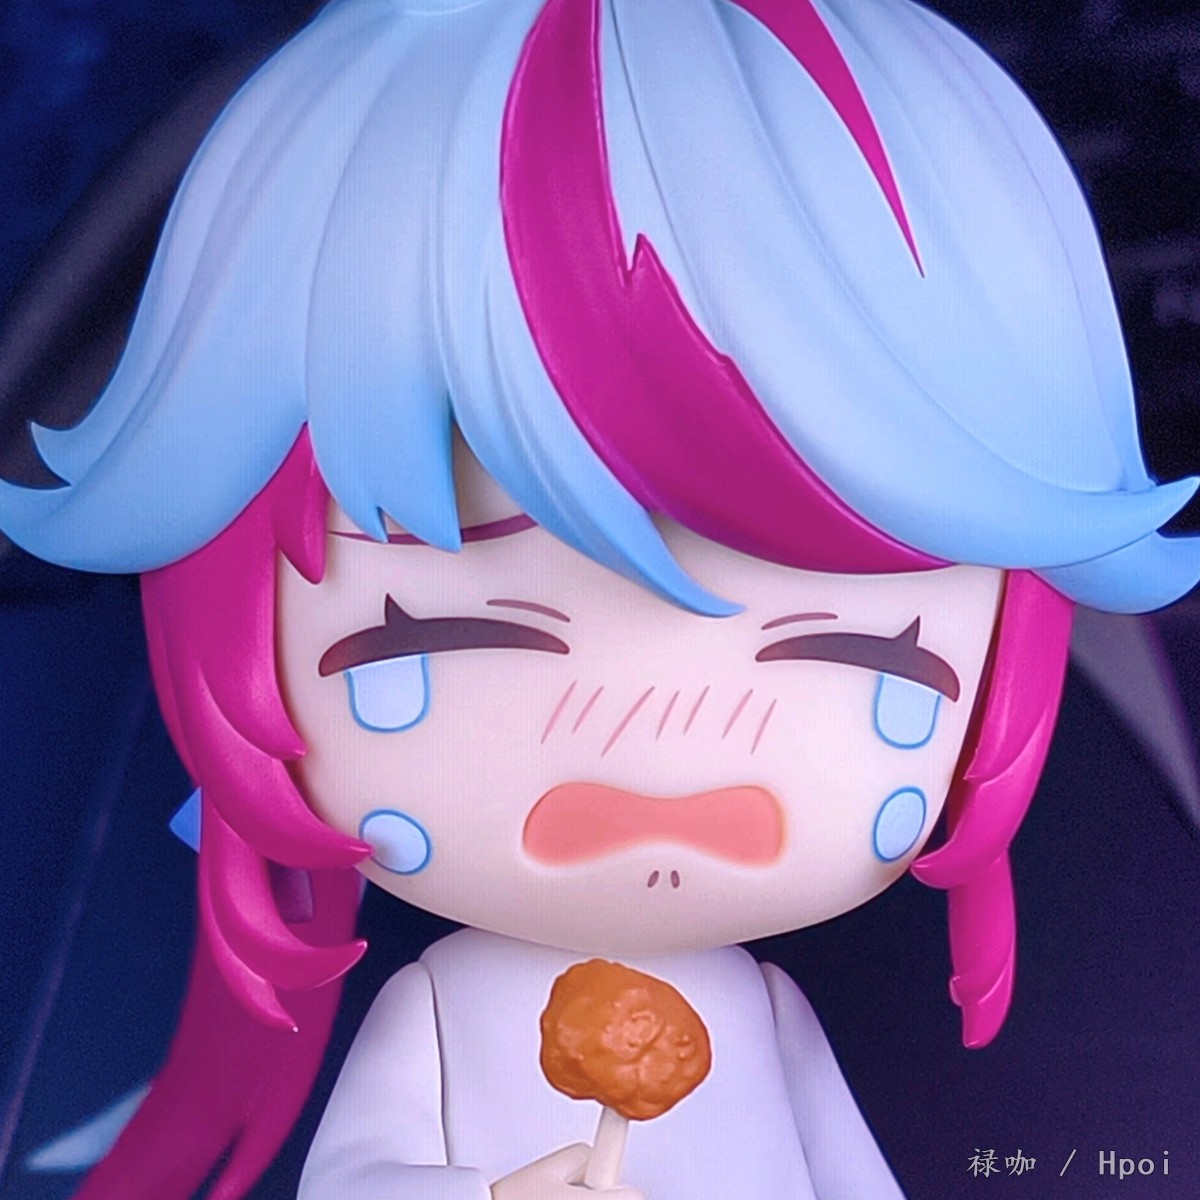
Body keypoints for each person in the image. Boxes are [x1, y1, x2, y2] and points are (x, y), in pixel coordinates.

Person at [2, 0, 1197, 1196]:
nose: (673, 745)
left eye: (871, 658)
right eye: (440, 638)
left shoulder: (765, 1015)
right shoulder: (441, 1009)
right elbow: (358, 1176)